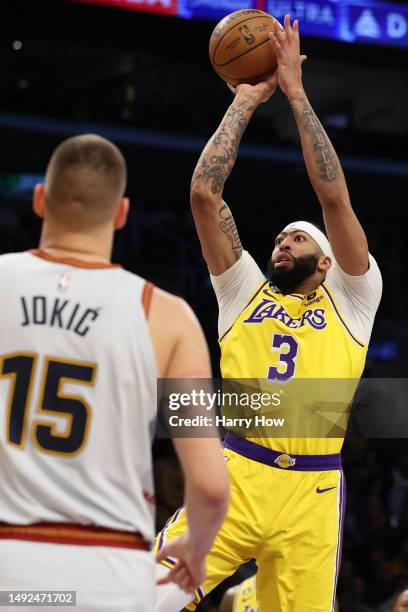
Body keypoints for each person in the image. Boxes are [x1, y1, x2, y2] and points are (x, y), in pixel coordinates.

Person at [155, 16, 382, 612]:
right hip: (237, 473)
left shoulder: (354, 302)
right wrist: (247, 101)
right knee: (143, 597)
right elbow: (206, 195)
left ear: (328, 260)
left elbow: (332, 195)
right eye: (279, 237)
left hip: (313, 489)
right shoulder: (244, 292)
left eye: (297, 239)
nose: (282, 242)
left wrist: (297, 94)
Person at [0, 134, 229, 611]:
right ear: (121, 213)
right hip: (109, 574)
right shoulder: (168, 316)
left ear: (40, 199)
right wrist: (196, 547)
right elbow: (210, 487)